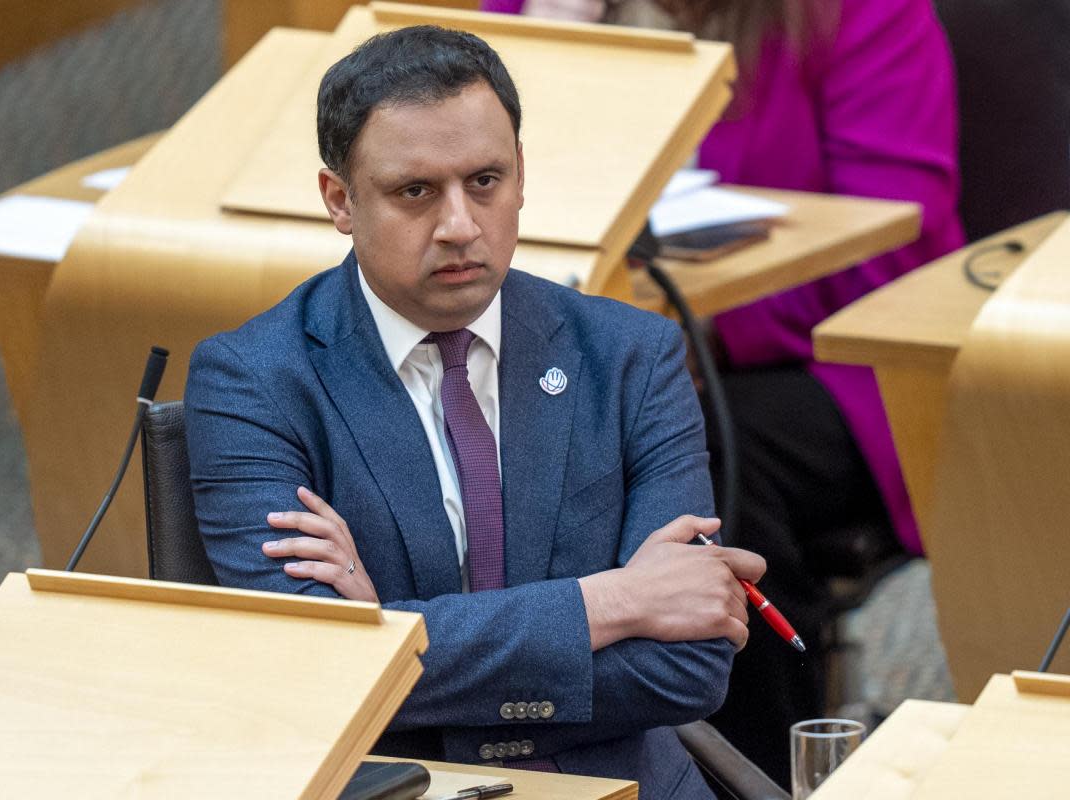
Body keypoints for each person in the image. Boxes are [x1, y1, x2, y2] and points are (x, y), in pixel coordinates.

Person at [185, 24, 766, 797]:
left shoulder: (631, 355)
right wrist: (616, 601)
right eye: (415, 191)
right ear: (340, 201)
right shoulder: (254, 381)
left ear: (521, 177)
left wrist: (393, 637)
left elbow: (685, 668)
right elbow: (318, 677)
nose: (460, 225)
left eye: (486, 181)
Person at [484, 0, 965, 786]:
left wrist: (690, 339)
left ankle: (761, 771)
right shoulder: (526, 15)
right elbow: (456, 171)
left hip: (840, 369)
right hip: (605, 352)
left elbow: (889, 252)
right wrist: (556, 37)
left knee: (695, 466)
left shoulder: (864, 16)